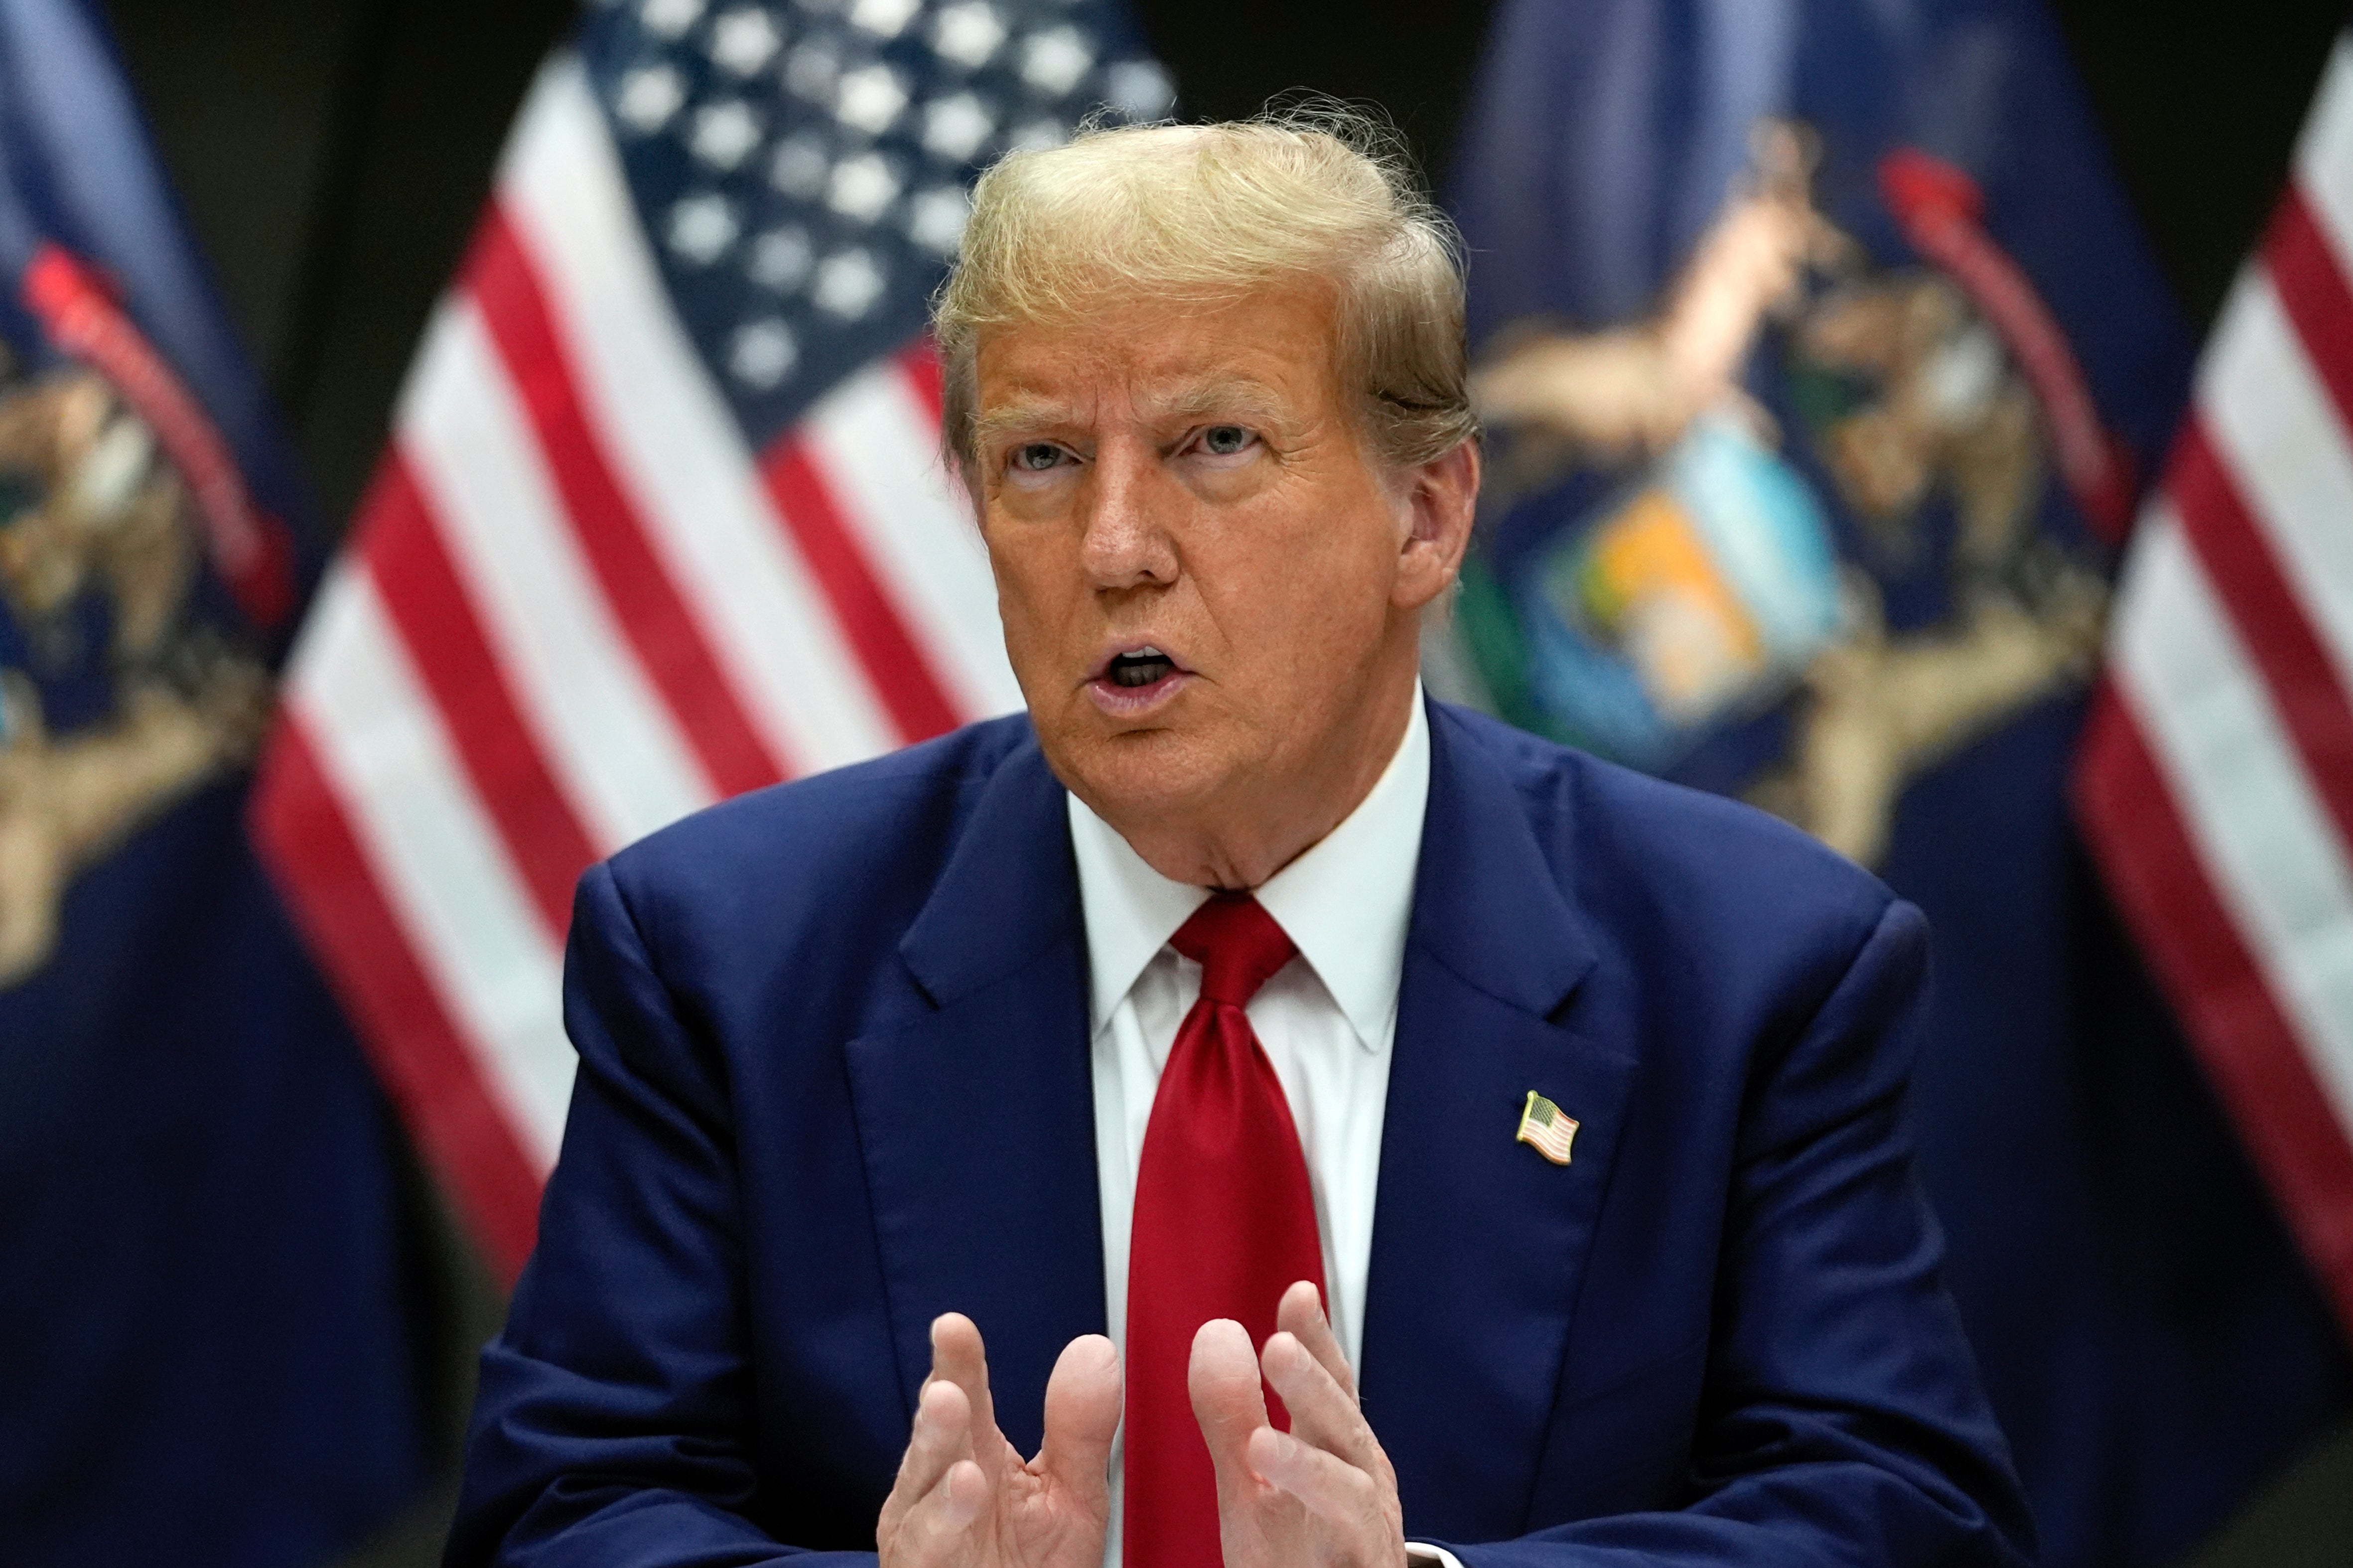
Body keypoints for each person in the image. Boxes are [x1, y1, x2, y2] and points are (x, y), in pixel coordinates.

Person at [445, 113, 2033, 1568]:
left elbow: (1901, 1517)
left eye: (1215, 445)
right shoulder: (728, 958)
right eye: (1042, 460)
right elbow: (556, 1518)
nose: (1116, 547)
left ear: (1426, 515)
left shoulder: (1753, 966)